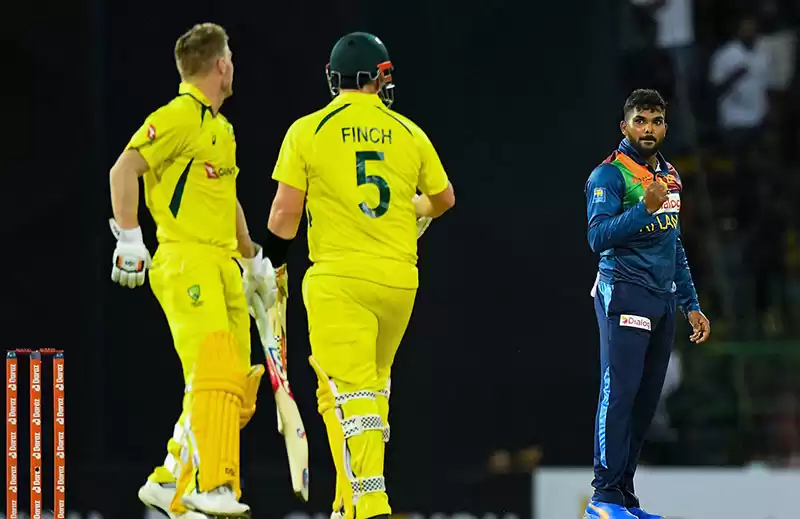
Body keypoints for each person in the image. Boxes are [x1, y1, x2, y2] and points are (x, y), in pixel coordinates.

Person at [258, 32, 455, 519]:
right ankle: (347, 504)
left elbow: (284, 213)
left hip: (339, 280)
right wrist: (415, 209)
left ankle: (370, 502)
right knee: (371, 391)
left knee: (347, 393)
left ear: (334, 78)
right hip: (399, 282)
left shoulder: (309, 130)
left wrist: (270, 264)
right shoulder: (408, 131)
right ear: (379, 78)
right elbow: (443, 198)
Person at [108, 22, 274, 518]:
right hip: (186, 259)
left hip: (223, 262)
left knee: (236, 392)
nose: (233, 67)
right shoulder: (177, 116)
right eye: (231, 59)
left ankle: (169, 479)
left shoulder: (222, 129)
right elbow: (124, 169)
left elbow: (228, 198)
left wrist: (253, 259)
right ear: (221, 65)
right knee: (214, 374)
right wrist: (130, 236)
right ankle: (215, 484)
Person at [583, 89, 711, 519]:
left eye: (656, 121)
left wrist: (690, 303)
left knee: (644, 402)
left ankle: (623, 497)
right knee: (619, 393)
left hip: (662, 299)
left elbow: (674, 243)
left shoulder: (670, 176)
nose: (648, 129)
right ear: (625, 126)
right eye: (640, 120)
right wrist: (643, 210)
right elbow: (597, 237)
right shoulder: (609, 175)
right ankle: (602, 497)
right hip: (624, 291)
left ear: (665, 127)